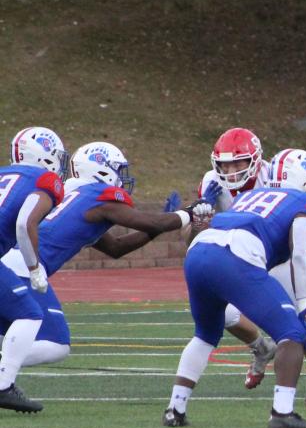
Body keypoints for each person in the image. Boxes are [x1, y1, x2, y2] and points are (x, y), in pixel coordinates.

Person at [164, 149, 306, 428]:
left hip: (198, 252)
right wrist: (305, 307)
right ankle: (282, 412)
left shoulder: (249, 196)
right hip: (235, 255)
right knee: (293, 332)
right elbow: (300, 255)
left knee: (205, 335)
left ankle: (175, 409)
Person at [0, 142, 193, 377]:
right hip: (24, 268)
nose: (122, 177)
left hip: (10, 263)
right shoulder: (97, 197)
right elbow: (150, 222)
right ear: (101, 169)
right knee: (55, 344)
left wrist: (160, 225)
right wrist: (189, 213)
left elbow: (115, 247)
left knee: (17, 332)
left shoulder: (71, 194)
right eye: (118, 169)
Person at [194, 127, 283, 389]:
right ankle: (260, 348)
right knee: (221, 310)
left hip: (276, 252)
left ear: (254, 160)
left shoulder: (274, 176)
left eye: (238, 164)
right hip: (237, 253)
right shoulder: (212, 181)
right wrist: (201, 211)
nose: (230, 172)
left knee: (296, 317)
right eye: (225, 165)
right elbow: (200, 235)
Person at [0, 128, 67, 413]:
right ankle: (3, 385)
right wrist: (34, 267)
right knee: (28, 313)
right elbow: (25, 223)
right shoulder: (45, 179)